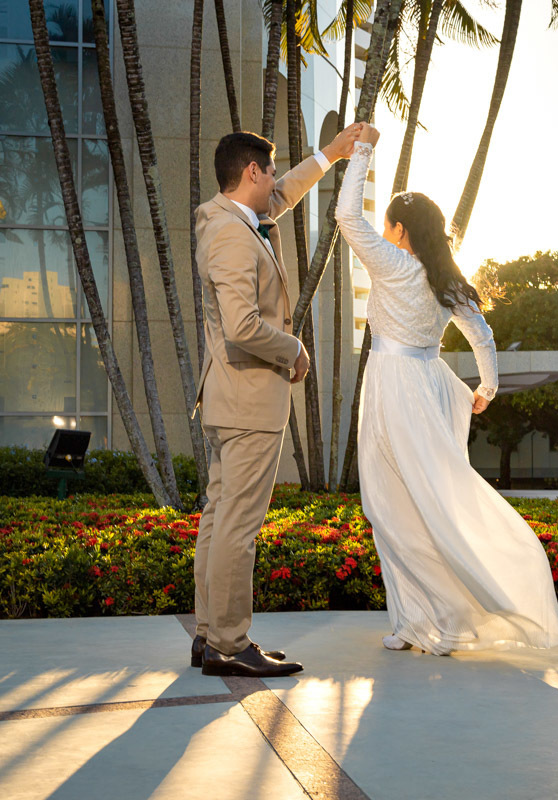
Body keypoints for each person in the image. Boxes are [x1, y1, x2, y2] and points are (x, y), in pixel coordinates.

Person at [334, 123, 558, 655]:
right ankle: (427, 621)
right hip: (430, 387)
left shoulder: (392, 264)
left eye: (390, 224)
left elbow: (346, 216)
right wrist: (487, 387)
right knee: (429, 503)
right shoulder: (447, 279)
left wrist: (363, 150)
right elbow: (481, 335)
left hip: (394, 390)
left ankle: (432, 619)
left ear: (397, 230)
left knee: (390, 505)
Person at [192, 125, 362, 678]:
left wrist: (330, 155)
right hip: (248, 401)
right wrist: (293, 350)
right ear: (251, 173)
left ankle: (208, 635)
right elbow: (242, 325)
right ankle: (228, 642)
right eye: (268, 173)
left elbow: (284, 194)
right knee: (238, 526)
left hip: (230, 398)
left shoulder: (237, 218)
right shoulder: (233, 235)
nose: (274, 184)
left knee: (219, 520)